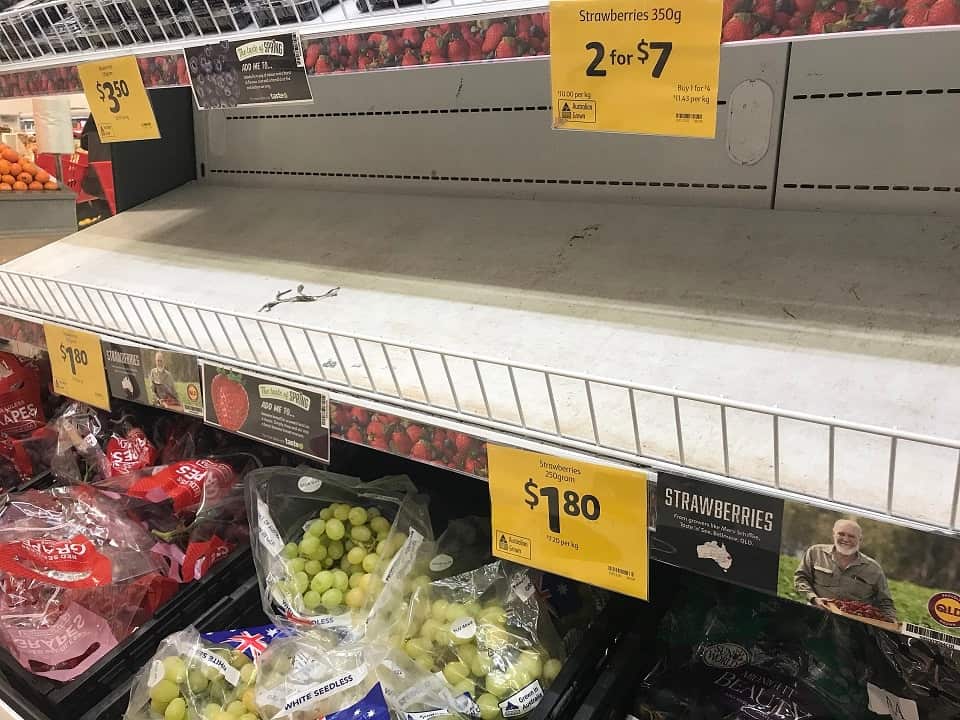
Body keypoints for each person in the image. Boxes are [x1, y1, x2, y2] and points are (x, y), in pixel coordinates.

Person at [794, 518, 896, 621]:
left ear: (860, 540)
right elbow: (801, 578)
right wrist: (813, 599)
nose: (846, 539)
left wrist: (892, 623)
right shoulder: (815, 552)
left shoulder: (874, 569)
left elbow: (885, 602)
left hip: (852, 626)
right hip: (815, 615)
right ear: (834, 534)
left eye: (851, 536)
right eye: (841, 534)